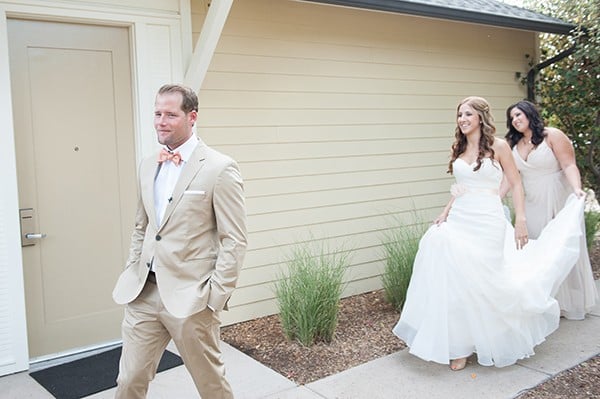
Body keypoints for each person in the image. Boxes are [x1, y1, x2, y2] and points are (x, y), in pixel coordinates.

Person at [392, 96, 584, 371]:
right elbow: (461, 186)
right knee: (453, 275)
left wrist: (521, 221)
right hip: (460, 217)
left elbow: (516, 184)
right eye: (459, 115)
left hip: (488, 219)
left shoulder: (500, 146)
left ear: (480, 117)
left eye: (468, 114)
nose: (462, 119)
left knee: (484, 279)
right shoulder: (459, 147)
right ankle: (458, 347)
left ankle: (489, 337)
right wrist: (446, 211)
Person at [112, 84, 247, 398]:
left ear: (192, 117)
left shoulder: (219, 168)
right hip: (143, 292)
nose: (161, 121)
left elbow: (235, 240)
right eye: (157, 113)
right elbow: (141, 226)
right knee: (128, 381)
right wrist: (133, 267)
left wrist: (214, 298)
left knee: (211, 386)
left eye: (171, 114)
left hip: (191, 299)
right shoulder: (148, 164)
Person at [503, 100, 598, 320]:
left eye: (519, 115)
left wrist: (577, 189)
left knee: (560, 247)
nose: (515, 120)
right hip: (531, 202)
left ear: (529, 114)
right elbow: (511, 177)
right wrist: (494, 198)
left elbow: (569, 164)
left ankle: (570, 302)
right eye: (512, 118)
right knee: (537, 249)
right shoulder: (512, 144)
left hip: (556, 196)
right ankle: (546, 301)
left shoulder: (551, 135)